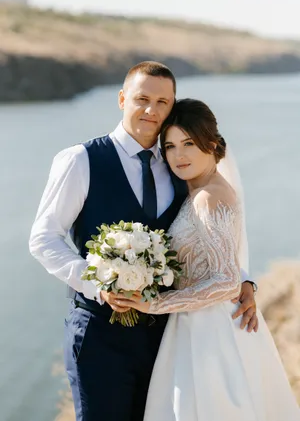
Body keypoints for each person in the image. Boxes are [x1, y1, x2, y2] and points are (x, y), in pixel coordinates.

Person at [29, 62, 257, 421]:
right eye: (142, 99)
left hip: (166, 338)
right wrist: (97, 283)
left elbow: (206, 232)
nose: (152, 110)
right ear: (122, 99)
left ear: (172, 105)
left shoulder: (179, 162)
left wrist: (242, 278)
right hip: (101, 336)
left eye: (163, 102)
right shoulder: (81, 160)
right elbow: (43, 238)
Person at [115, 98, 300, 420]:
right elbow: (228, 265)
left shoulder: (208, 198)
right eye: (170, 146)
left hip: (209, 334)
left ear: (210, 143)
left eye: (188, 143)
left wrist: (152, 304)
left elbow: (226, 280)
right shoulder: (202, 190)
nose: (179, 155)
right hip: (202, 323)